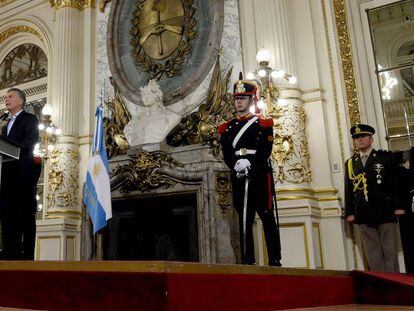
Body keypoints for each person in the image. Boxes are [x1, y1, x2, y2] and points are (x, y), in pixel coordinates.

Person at [218, 77, 281, 266]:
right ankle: (248, 259)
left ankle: (274, 259)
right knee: (244, 219)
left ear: (251, 100)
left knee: (267, 217)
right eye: (237, 98)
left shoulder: (262, 123)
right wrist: (236, 165)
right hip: (238, 175)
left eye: (243, 98)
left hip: (259, 176)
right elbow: (228, 153)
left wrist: (250, 163)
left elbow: (265, 150)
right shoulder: (227, 127)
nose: (239, 102)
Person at [344, 123, 404, 272]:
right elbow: (348, 188)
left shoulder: (384, 158)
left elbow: (394, 184)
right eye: (356, 137)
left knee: (389, 250)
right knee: (372, 251)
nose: (360, 140)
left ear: (371, 139)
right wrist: (350, 212)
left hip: (385, 210)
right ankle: (380, 282)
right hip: (363, 213)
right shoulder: (351, 163)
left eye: (363, 136)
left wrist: (398, 206)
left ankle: (393, 281)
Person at [0, 88, 40, 260]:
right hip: (6, 177)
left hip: (23, 176)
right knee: (8, 220)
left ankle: (26, 260)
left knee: (24, 220)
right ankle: (9, 256)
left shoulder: (30, 119)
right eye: (5, 97)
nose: (6, 99)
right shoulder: (4, 122)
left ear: (20, 101)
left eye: (10, 97)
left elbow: (29, 144)